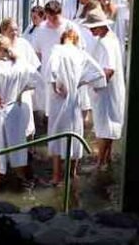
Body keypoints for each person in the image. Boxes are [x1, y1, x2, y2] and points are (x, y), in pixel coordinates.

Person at [43, 29, 105, 184]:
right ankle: (72, 174)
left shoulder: (56, 50)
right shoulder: (81, 54)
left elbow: (51, 70)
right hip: (74, 99)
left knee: (57, 135)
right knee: (75, 133)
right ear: (75, 40)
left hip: (59, 99)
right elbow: (99, 73)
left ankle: (56, 176)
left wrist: (54, 86)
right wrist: (80, 82)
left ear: (63, 38)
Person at [0, 36, 40, 183]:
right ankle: (20, 173)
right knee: (18, 141)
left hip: (0, 108)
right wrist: (24, 89)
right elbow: (38, 80)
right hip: (16, 107)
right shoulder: (21, 65)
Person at [84, 11, 125, 168]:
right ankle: (106, 158)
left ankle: (100, 162)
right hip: (115, 89)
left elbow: (109, 70)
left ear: (101, 26)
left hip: (106, 91)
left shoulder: (104, 43)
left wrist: (96, 85)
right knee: (111, 124)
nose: (90, 31)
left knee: (103, 127)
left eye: (93, 27)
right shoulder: (112, 37)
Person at [31, 1, 82, 114]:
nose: (53, 21)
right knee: (50, 108)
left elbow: (80, 50)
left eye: (56, 18)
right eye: (50, 18)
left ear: (61, 14)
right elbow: (37, 53)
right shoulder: (40, 29)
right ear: (46, 15)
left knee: (69, 108)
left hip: (68, 72)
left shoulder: (70, 27)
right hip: (48, 74)